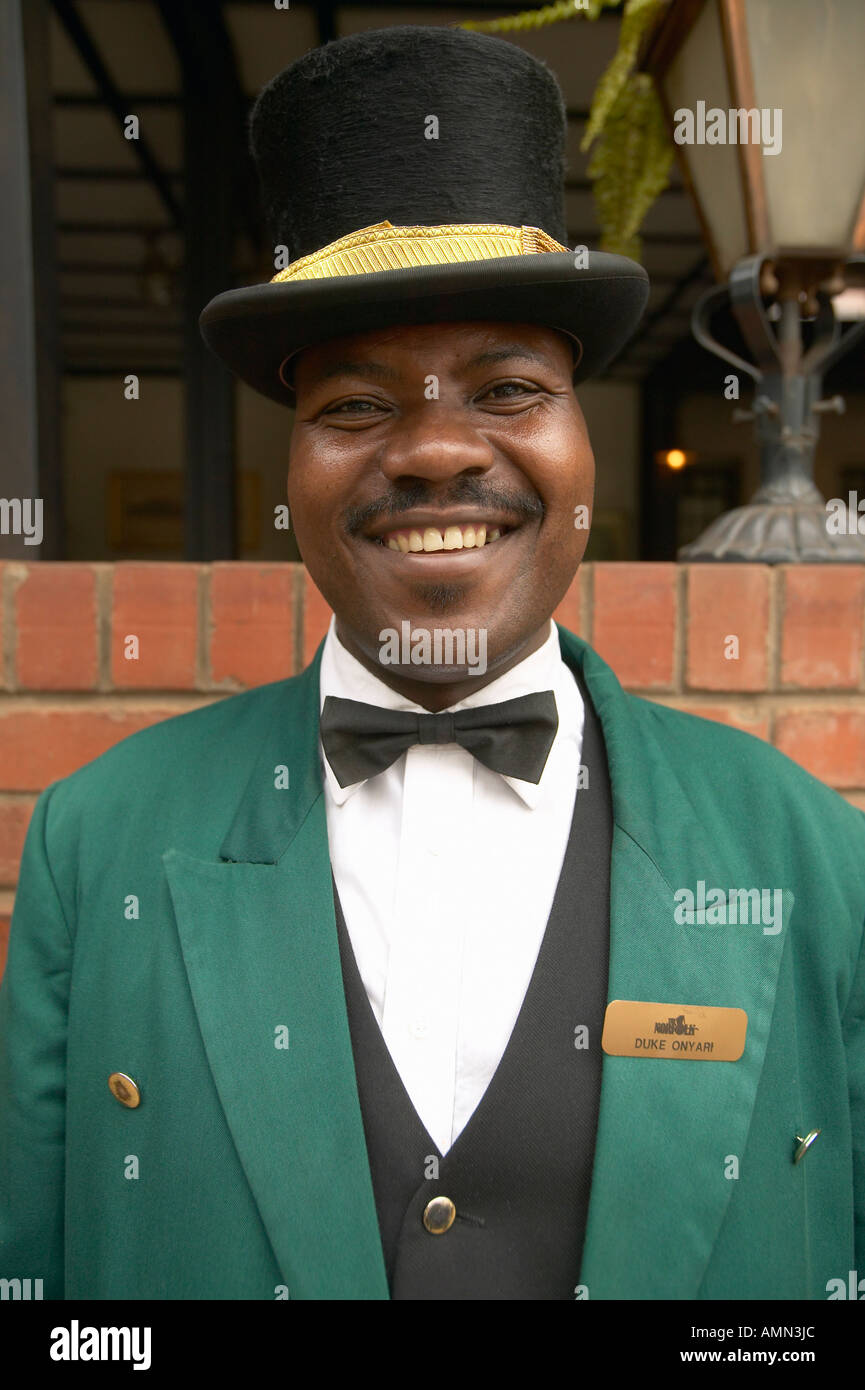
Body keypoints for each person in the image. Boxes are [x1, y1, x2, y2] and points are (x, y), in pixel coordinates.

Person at [1, 23, 863, 1303]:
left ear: (583, 440)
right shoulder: (100, 845)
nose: (436, 451)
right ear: (290, 465)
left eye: (509, 387)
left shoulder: (805, 854)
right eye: (355, 404)